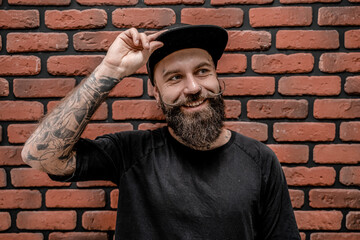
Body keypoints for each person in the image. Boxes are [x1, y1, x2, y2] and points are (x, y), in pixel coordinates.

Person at [22, 25, 301, 240]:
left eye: (203, 71)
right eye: (175, 77)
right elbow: (40, 156)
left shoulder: (260, 161)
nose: (193, 88)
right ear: (156, 94)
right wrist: (110, 70)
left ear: (217, 78)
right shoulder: (130, 153)